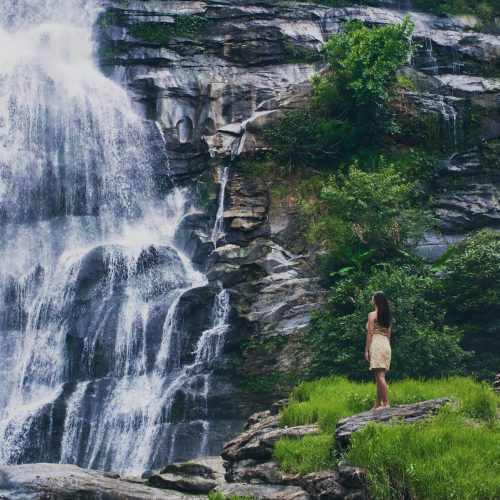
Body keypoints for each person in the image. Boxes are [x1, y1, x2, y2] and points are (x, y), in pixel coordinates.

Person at [365, 291, 392, 410]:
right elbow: (388, 335)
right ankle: (377, 404)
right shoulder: (387, 317)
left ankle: (386, 404)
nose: (371, 299)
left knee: (380, 375)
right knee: (379, 375)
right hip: (386, 344)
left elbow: (370, 333)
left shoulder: (372, 315)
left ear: (375, 301)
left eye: (372, 298)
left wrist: (366, 349)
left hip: (376, 343)